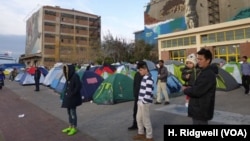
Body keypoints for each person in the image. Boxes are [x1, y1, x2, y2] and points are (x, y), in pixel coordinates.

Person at [182, 48, 216, 125]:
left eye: (201, 59)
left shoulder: (208, 74)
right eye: (198, 59)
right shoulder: (203, 71)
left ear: (208, 60)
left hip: (201, 110)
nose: (198, 61)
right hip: (199, 109)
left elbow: (197, 91)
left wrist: (185, 90)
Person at [133, 61, 154, 141]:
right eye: (139, 70)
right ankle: (141, 133)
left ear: (146, 69)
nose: (139, 71)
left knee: (146, 120)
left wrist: (143, 101)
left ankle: (149, 136)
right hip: (140, 102)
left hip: (145, 103)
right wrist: (139, 101)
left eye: (141, 70)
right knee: (139, 118)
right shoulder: (144, 77)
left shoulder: (149, 78)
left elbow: (148, 92)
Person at [61, 64, 82, 136]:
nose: (65, 71)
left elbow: (78, 86)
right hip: (68, 98)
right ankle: (70, 126)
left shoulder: (75, 76)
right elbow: (66, 88)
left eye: (66, 70)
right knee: (69, 113)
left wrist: (72, 93)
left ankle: (74, 127)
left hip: (73, 98)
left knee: (73, 113)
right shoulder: (68, 77)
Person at [128, 61, 143, 130]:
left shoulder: (144, 75)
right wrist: (134, 93)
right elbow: (134, 84)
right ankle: (135, 124)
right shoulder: (136, 74)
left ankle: (144, 126)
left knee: (142, 113)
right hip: (137, 96)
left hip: (142, 97)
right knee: (135, 111)